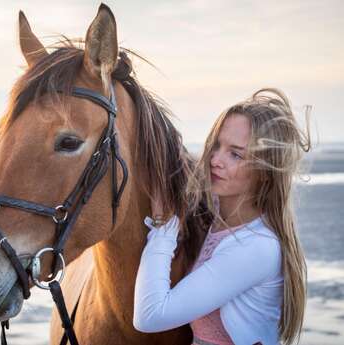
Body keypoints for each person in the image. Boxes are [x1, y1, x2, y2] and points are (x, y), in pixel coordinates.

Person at [133, 88, 310, 345]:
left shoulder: (256, 247)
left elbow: (150, 316)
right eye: (216, 145)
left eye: (235, 154)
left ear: (264, 173)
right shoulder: (218, 214)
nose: (215, 160)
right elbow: (187, 174)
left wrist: (162, 226)